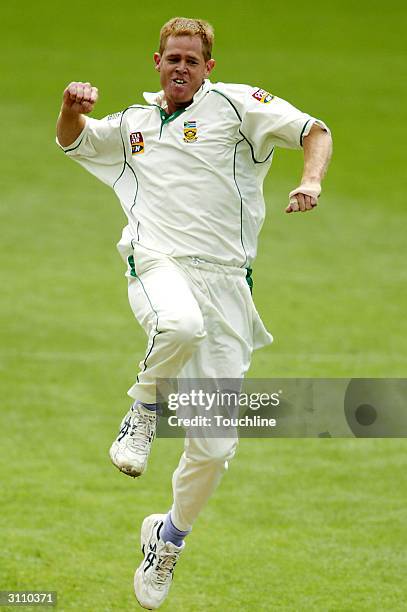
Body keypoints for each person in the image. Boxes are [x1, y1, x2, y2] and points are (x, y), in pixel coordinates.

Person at [56, 16, 332, 610]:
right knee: (178, 323)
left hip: (228, 284)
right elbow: (74, 140)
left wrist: (310, 181)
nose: (181, 67)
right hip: (155, 262)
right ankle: (144, 407)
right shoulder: (133, 124)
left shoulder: (237, 109)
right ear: (156, 62)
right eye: (171, 58)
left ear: (209, 66)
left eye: (192, 60)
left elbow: (316, 130)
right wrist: (72, 108)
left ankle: (167, 537)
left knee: (214, 447)